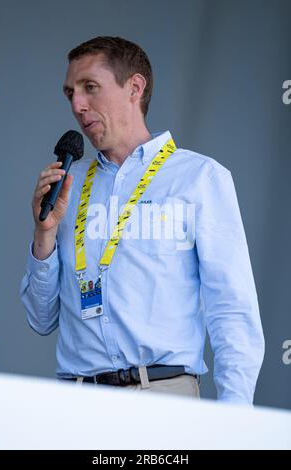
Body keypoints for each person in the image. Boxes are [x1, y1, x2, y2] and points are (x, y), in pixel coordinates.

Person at [20, 36, 265, 403]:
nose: (77, 104)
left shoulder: (200, 178)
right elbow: (41, 320)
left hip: (165, 398)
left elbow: (232, 309)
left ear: (134, 88)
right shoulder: (68, 187)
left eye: (90, 88)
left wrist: (234, 419)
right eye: (70, 92)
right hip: (75, 404)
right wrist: (44, 234)